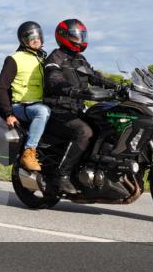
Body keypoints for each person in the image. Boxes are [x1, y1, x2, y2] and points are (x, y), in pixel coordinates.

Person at [43, 18, 119, 194]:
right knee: (84, 132)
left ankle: (97, 169)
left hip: (77, 110)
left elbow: (95, 77)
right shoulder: (56, 57)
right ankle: (62, 176)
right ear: (63, 36)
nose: (80, 39)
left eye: (81, 35)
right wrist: (70, 90)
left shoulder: (80, 59)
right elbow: (53, 79)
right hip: (58, 110)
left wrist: (117, 86)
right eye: (75, 35)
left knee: (108, 126)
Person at [0, 21, 50, 171]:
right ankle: (29, 152)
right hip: (21, 106)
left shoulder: (43, 59)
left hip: (40, 103)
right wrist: (9, 114)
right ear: (24, 39)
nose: (36, 39)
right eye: (32, 37)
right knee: (42, 112)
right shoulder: (14, 59)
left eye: (38, 36)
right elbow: (1, 87)